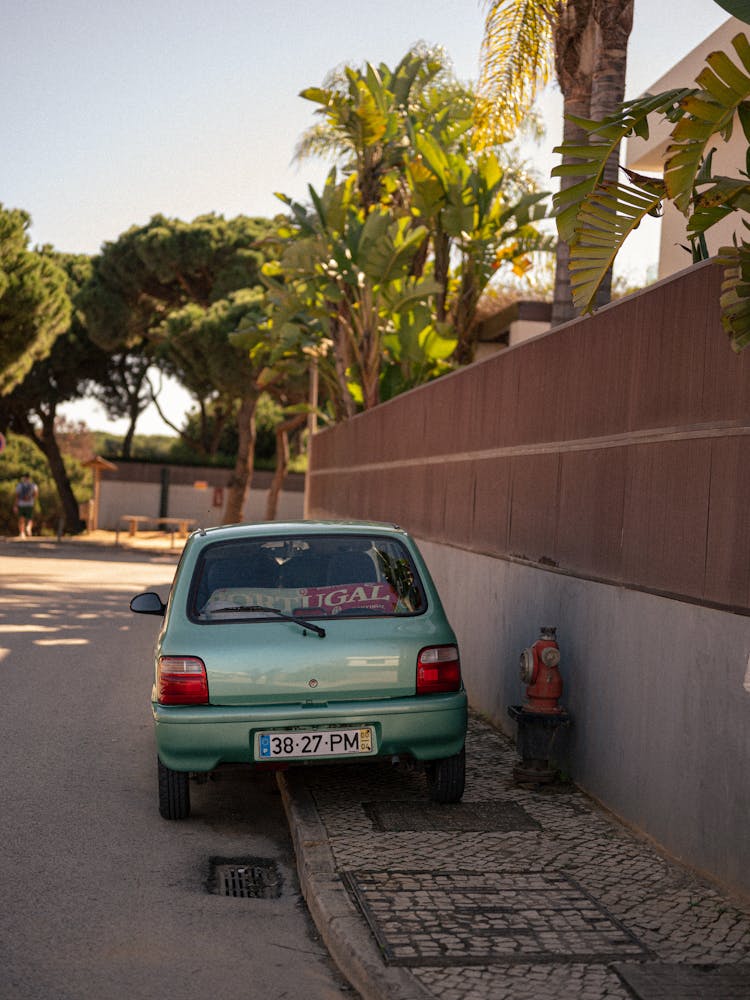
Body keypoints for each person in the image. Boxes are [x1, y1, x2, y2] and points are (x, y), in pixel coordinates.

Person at [13, 473, 38, 538]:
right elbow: (36, 494)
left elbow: (17, 496)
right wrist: (32, 500)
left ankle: (22, 532)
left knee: (21, 518)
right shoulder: (33, 485)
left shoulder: (20, 485)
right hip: (30, 504)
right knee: (29, 518)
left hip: (22, 504)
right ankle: (28, 528)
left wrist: (15, 505)